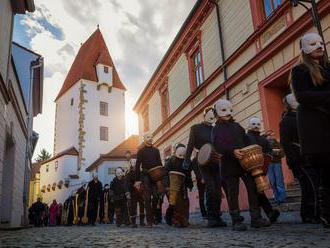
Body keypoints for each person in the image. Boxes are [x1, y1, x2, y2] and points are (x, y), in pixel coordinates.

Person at [290, 32, 330, 228]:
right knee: (326, 174)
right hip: (317, 131)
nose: (319, 46)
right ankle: (327, 214)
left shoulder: (327, 68)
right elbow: (303, 96)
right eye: (313, 44)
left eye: (321, 43)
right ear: (305, 48)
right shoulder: (300, 71)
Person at [212, 99, 270, 231]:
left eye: (229, 110)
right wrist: (231, 151)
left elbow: (246, 139)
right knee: (233, 192)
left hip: (245, 163)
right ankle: (236, 220)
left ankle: (256, 218)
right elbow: (218, 145)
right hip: (229, 165)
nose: (227, 113)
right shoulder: (216, 129)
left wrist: (254, 147)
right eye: (223, 110)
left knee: (252, 188)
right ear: (217, 112)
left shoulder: (237, 126)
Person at [183, 106, 226, 227]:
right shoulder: (196, 128)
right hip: (202, 163)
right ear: (204, 115)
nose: (212, 115)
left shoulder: (216, 129)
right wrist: (186, 161)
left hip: (216, 162)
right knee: (211, 189)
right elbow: (190, 145)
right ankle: (211, 217)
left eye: (214, 113)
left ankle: (217, 217)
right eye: (210, 113)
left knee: (217, 190)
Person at [280, 93, 320, 223]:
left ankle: (309, 214)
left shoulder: (304, 116)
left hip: (310, 156)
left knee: (312, 185)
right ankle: (311, 214)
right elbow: (285, 142)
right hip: (299, 158)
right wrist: (293, 161)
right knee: (310, 185)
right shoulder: (286, 121)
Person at [246, 117, 280, 223]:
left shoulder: (262, 139)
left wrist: (265, 165)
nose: (256, 126)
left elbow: (269, 153)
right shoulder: (246, 137)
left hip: (261, 169)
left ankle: (268, 213)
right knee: (256, 191)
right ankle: (262, 215)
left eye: (258, 124)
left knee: (259, 191)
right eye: (254, 124)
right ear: (250, 125)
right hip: (249, 169)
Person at [134, 132, 163, 227]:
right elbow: (137, 166)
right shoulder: (141, 151)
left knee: (155, 196)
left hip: (155, 176)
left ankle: (153, 216)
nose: (150, 138)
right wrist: (137, 180)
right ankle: (149, 220)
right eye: (148, 137)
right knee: (147, 198)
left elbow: (159, 164)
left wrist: (161, 177)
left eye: (151, 137)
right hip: (145, 175)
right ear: (144, 139)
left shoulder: (156, 150)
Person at [165, 143, 193, 227]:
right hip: (172, 186)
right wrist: (167, 186)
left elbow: (188, 174)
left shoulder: (187, 162)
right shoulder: (170, 161)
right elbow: (165, 173)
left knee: (184, 202)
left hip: (183, 185)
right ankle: (175, 220)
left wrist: (190, 184)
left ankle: (184, 219)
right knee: (175, 203)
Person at [264, 130, 287, 204]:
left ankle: (282, 198)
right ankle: (276, 198)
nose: (270, 136)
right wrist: (271, 152)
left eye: (271, 135)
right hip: (269, 164)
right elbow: (264, 154)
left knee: (279, 180)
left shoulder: (277, 143)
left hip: (277, 163)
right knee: (272, 181)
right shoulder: (264, 144)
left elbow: (283, 154)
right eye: (269, 135)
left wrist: (276, 151)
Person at [126, 158, 145, 227]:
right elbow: (127, 183)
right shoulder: (128, 173)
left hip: (141, 191)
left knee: (142, 206)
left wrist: (140, 183)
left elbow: (143, 180)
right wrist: (133, 185)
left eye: (135, 162)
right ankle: (133, 222)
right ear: (130, 164)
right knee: (133, 207)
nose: (134, 163)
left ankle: (142, 221)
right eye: (133, 162)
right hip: (133, 192)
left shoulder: (141, 172)